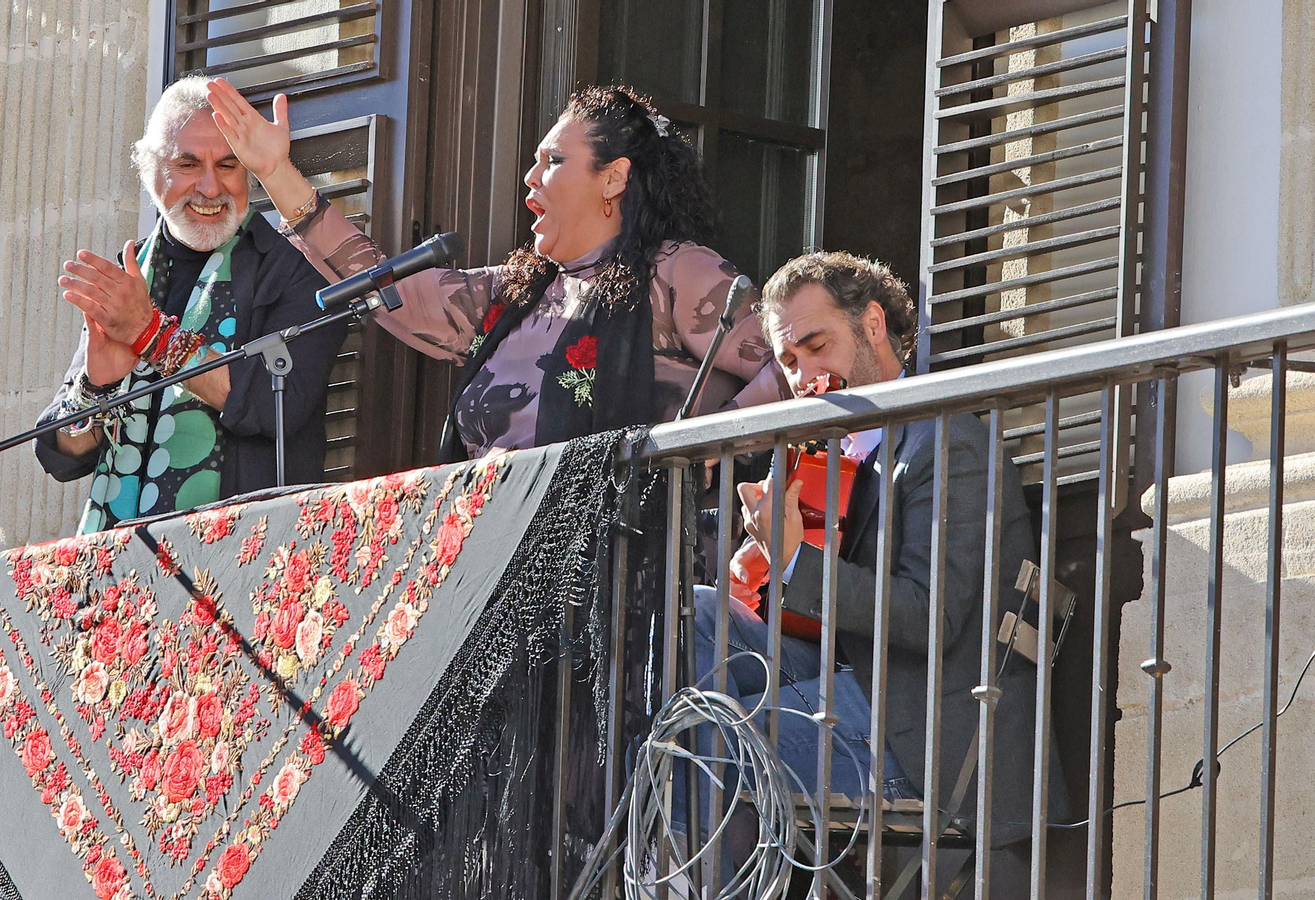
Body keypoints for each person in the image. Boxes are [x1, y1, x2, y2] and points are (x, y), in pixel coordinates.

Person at [696, 251, 1065, 892]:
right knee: (698, 616)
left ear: (872, 325)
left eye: (818, 345)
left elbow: (931, 615)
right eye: (789, 362)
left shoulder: (948, 441)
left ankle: (703, 881)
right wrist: (763, 570)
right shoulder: (834, 458)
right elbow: (827, 622)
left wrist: (792, 559)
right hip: (851, 687)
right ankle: (688, 871)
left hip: (922, 738)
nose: (807, 375)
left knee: (711, 731)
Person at [203, 80, 785, 460]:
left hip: (629, 591)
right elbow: (388, 291)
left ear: (613, 178)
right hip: (502, 583)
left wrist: (708, 445)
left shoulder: (678, 272)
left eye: (553, 162)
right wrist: (277, 173)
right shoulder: (519, 291)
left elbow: (796, 361)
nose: (530, 179)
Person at [35, 77, 342, 534]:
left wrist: (150, 335)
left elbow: (270, 406)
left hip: (246, 561)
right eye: (188, 163)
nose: (210, 186)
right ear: (151, 172)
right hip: (124, 570)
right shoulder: (132, 274)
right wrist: (97, 389)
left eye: (228, 165)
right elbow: (60, 453)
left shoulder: (295, 272)